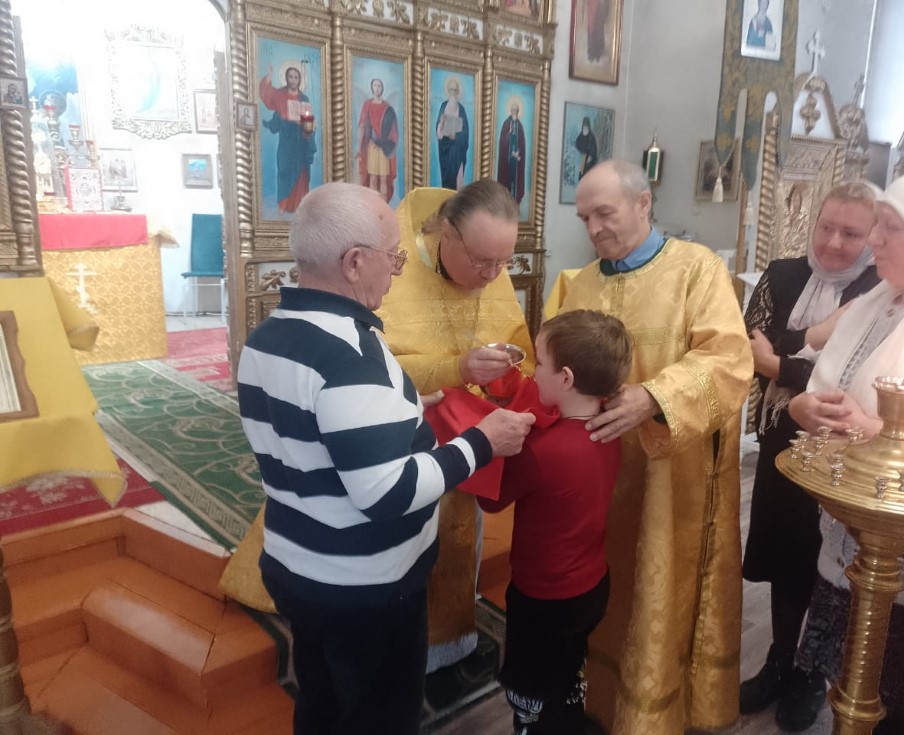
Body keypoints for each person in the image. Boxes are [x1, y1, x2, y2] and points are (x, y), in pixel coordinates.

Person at [237, 182, 535, 735]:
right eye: (392, 257)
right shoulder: (352, 355)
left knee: (322, 704)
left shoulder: (266, 337)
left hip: (295, 567)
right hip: (363, 589)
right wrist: (482, 441)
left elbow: (310, 430)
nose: (397, 271)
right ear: (354, 263)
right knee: (379, 718)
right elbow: (389, 493)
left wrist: (405, 408)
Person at [559, 159, 753, 733]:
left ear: (643, 203)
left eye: (605, 213)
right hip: (597, 474)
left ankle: (653, 712)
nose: (594, 228)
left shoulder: (696, 270)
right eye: (584, 218)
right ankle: (598, 701)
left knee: (656, 581)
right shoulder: (580, 283)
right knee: (598, 588)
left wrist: (654, 397)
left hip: (669, 474)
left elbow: (728, 359)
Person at [787, 167, 904, 735]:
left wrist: (875, 430)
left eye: (890, 228)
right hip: (858, 542)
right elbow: (828, 387)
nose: (874, 241)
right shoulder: (879, 302)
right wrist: (806, 408)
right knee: (854, 693)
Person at [375, 178, 533, 673]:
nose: (491, 275)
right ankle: (398, 655)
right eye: (482, 262)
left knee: (461, 540)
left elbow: (517, 347)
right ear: (447, 232)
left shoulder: (490, 263)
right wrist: (456, 368)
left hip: (467, 442)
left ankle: (452, 643)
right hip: (397, 446)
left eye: (503, 263)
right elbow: (368, 369)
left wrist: (504, 367)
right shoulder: (392, 264)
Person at [739, 182, 881, 730]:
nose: (835, 243)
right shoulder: (782, 274)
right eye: (827, 227)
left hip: (843, 448)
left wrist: (779, 362)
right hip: (782, 437)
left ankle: (812, 675)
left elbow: (849, 377)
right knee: (784, 554)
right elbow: (746, 346)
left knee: (828, 563)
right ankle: (780, 658)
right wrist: (815, 335)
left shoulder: (880, 286)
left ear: (873, 236)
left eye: (852, 233)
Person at [478, 309, 632, 735]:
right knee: (568, 666)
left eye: (540, 363)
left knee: (529, 684)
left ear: (565, 378)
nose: (533, 372)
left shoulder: (541, 450)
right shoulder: (609, 427)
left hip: (542, 596)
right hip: (591, 583)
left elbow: (491, 500)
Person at [259, 64, 317, 215]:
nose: (293, 80)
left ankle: (301, 206)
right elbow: (268, 97)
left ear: (299, 80)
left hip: (300, 142)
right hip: (286, 139)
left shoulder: (304, 99)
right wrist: (269, 77)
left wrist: (308, 125)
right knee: (284, 170)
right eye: (290, 77)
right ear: (286, 78)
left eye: (296, 77)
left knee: (302, 173)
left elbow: (309, 123)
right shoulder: (281, 95)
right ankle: (283, 205)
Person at [357, 78, 398, 203]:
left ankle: (383, 207)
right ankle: (373, 208)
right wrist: (359, 148)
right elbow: (362, 126)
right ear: (372, 87)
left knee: (384, 179)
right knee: (373, 178)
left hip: (384, 148)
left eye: (379, 85)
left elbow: (392, 131)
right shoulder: (367, 105)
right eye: (375, 85)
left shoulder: (387, 107)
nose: (377, 88)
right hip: (372, 146)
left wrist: (390, 147)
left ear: (382, 88)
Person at [436, 76, 469, 190]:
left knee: (457, 182)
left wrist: (456, 136)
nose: (453, 92)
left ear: (458, 91)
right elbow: (438, 131)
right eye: (451, 90)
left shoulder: (461, 109)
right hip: (446, 151)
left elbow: (465, 132)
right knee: (447, 180)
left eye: (455, 90)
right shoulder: (444, 106)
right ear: (448, 91)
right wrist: (441, 123)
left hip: (457, 151)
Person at [497, 99, 526, 205]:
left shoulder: (520, 126)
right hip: (507, 161)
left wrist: (519, 154)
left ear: (518, 111)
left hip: (516, 162)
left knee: (515, 181)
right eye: (513, 110)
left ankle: (515, 199)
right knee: (507, 180)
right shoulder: (506, 123)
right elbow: (502, 141)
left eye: (516, 110)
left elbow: (522, 144)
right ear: (510, 111)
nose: (514, 112)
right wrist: (508, 135)